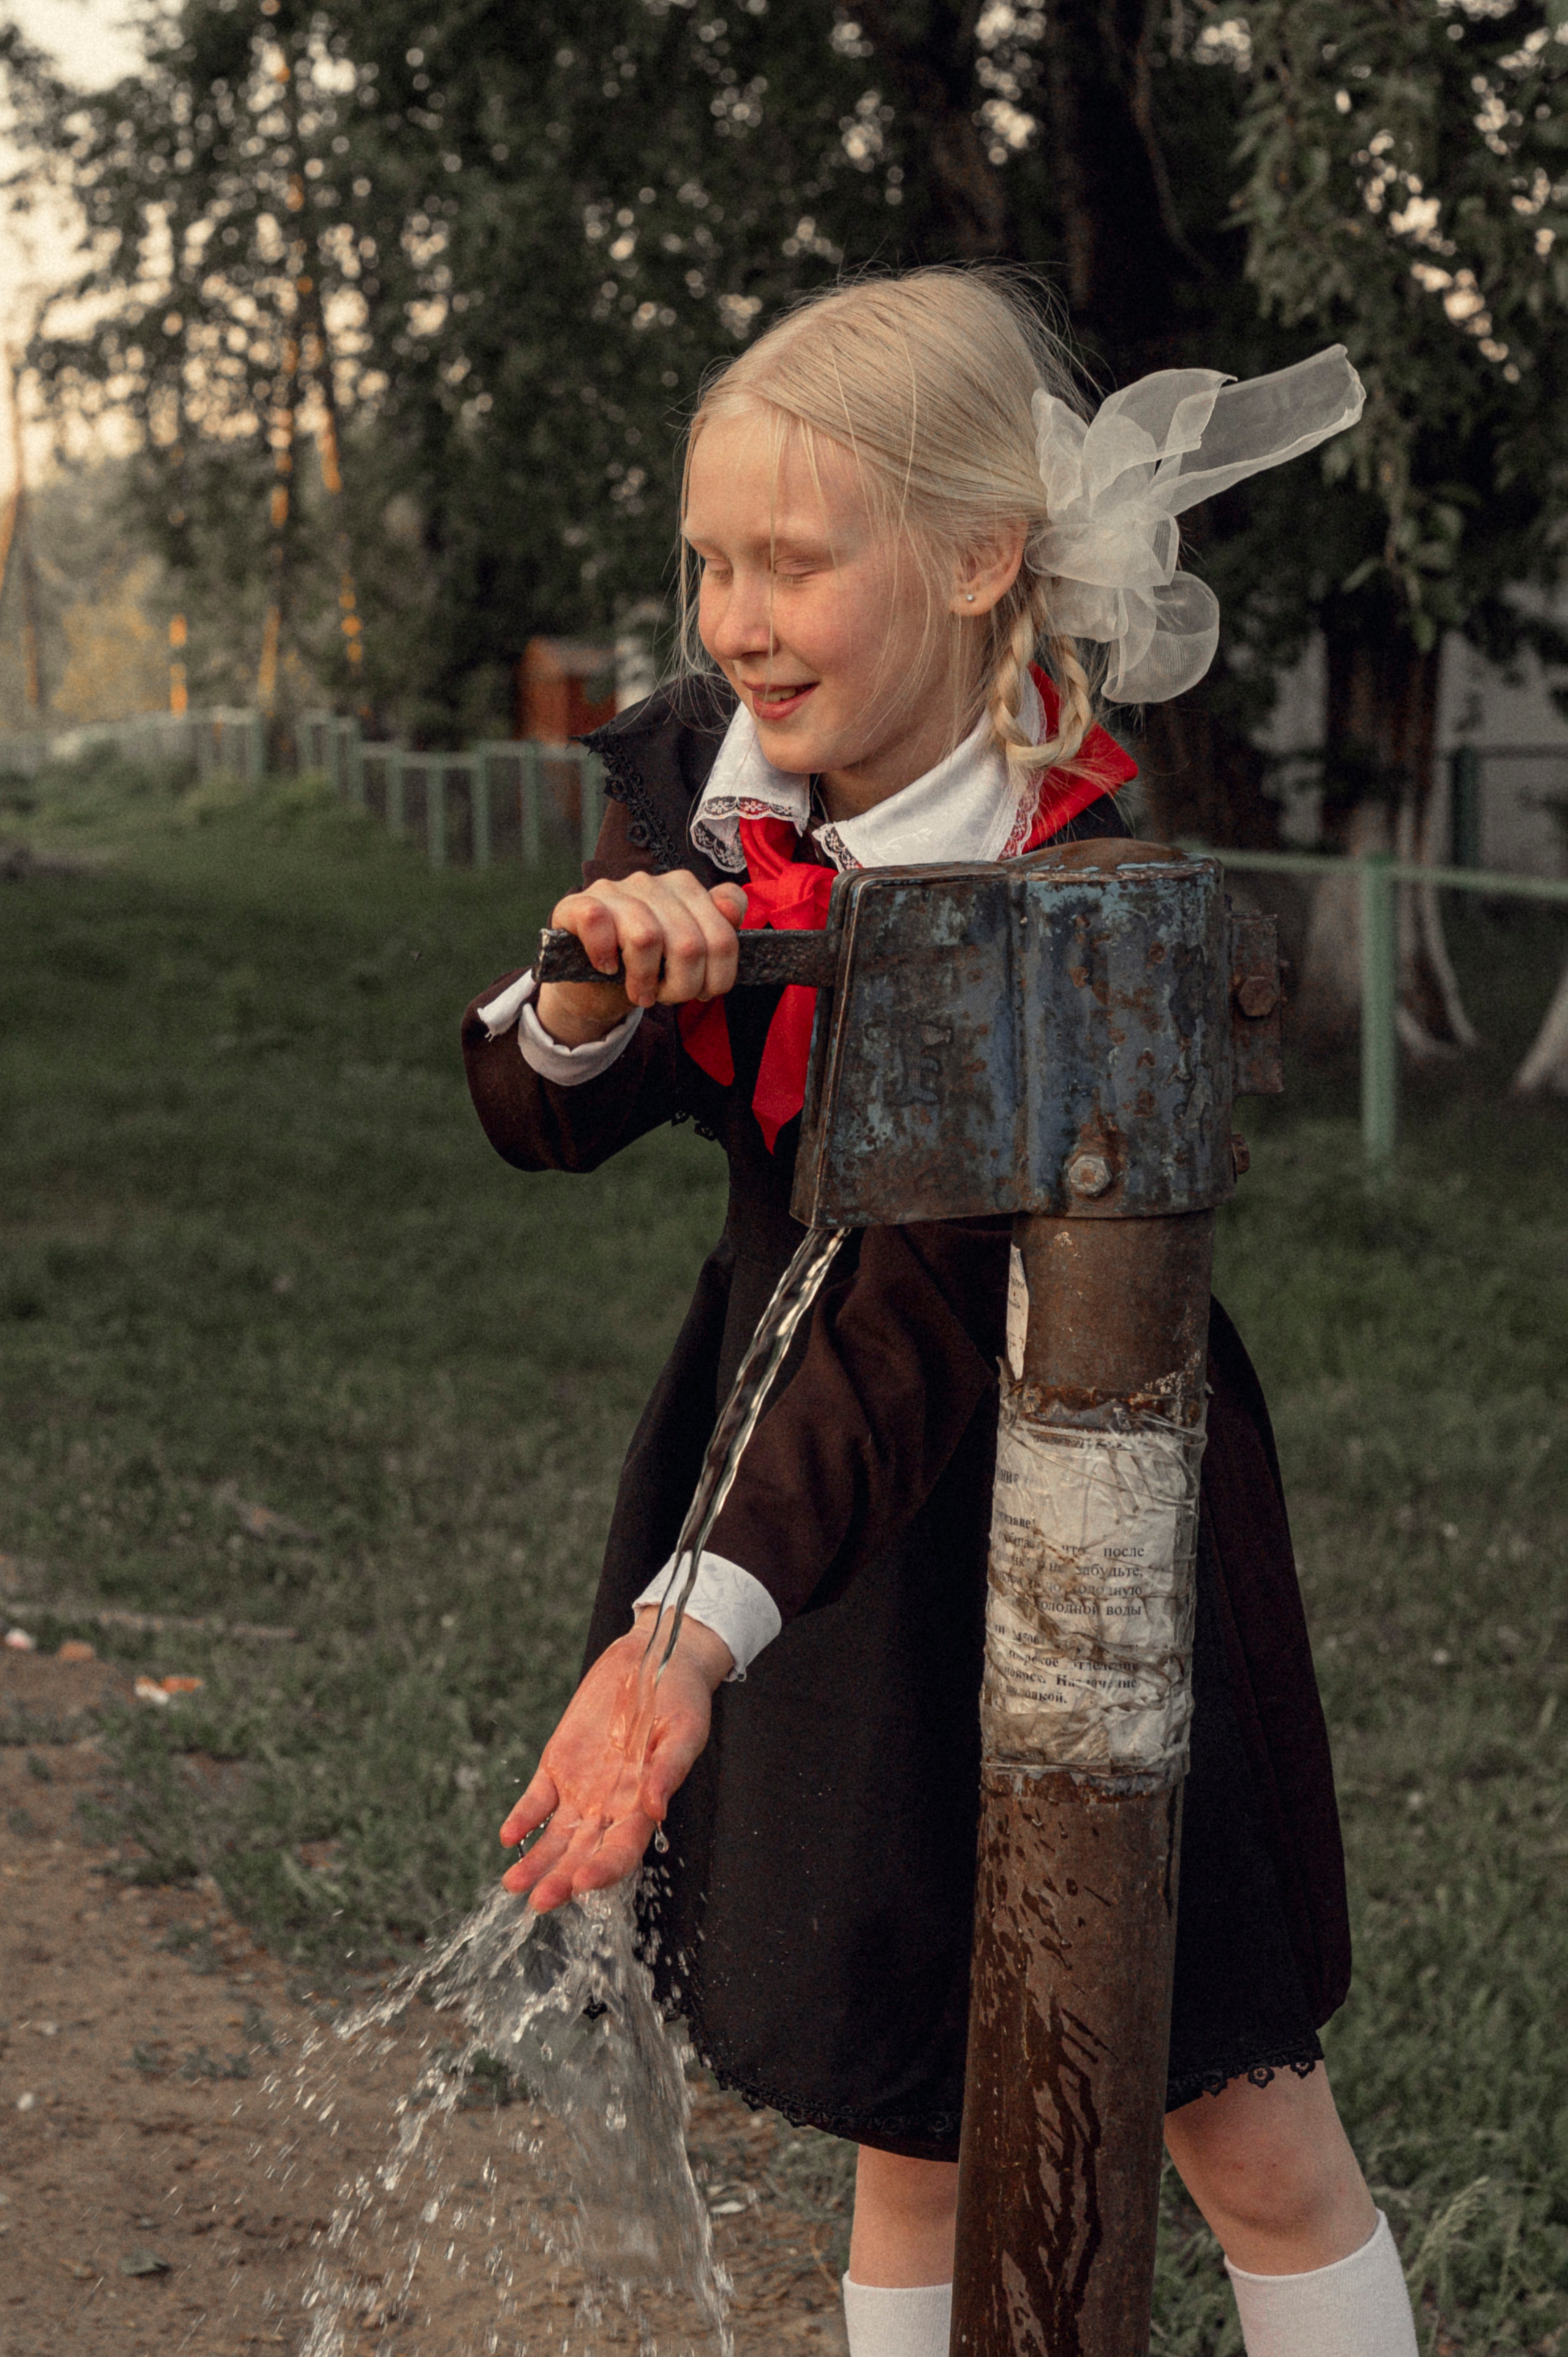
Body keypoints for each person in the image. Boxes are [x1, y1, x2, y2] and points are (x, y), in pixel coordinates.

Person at [462, 268, 1417, 2357]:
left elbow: (913, 1303)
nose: (733, 612)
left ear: (983, 556)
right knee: (916, 2108)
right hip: (806, 1490)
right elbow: (546, 1122)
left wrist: (685, 1628)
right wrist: (590, 983)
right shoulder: (703, 789)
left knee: (1241, 2113)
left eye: (795, 562)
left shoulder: (1073, 886)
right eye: (709, 559)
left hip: (1075, 1481)